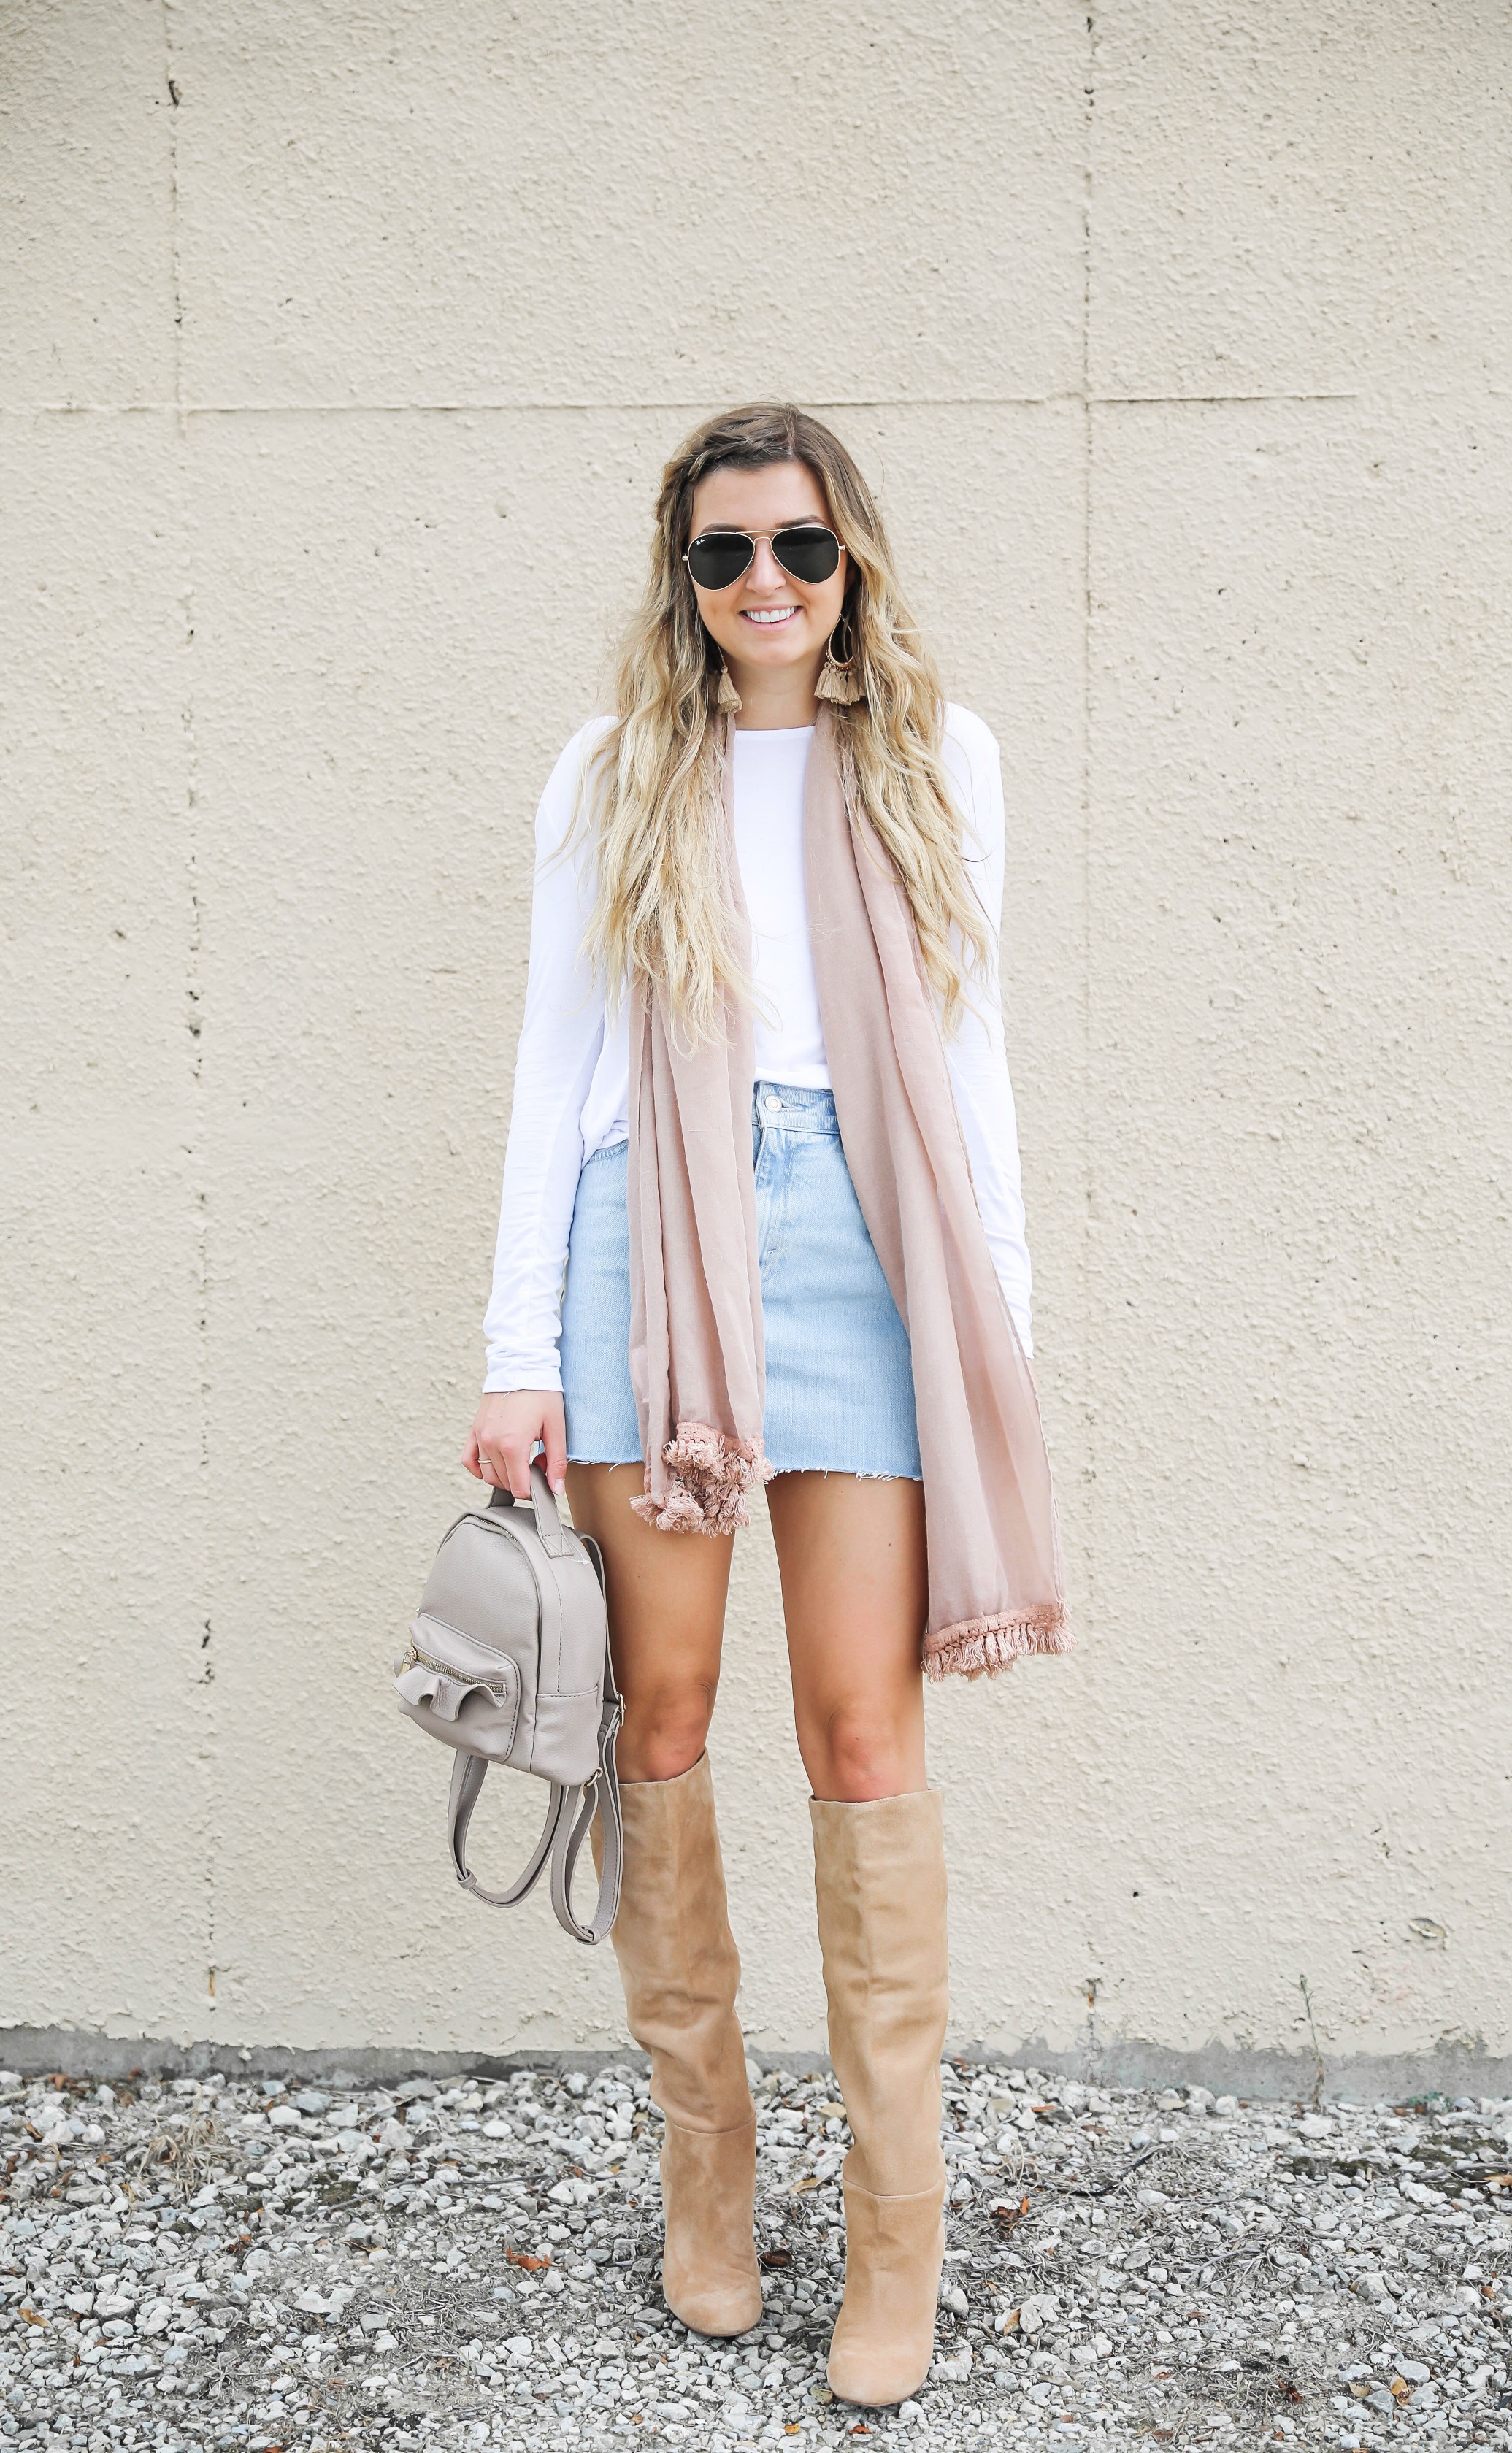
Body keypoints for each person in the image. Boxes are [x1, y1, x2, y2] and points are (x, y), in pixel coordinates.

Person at [465, 403, 1068, 2409]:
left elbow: (968, 1064)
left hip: (869, 1247)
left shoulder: (940, 758)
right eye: (724, 556)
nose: (765, 590)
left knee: (856, 1722)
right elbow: (557, 1072)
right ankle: (705, 2190)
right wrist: (515, 1353)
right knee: (658, 1713)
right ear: (683, 577)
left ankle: (895, 2237)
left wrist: (1006, 1320)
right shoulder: (615, 768)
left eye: (798, 551)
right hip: (654, 1241)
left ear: (851, 562)